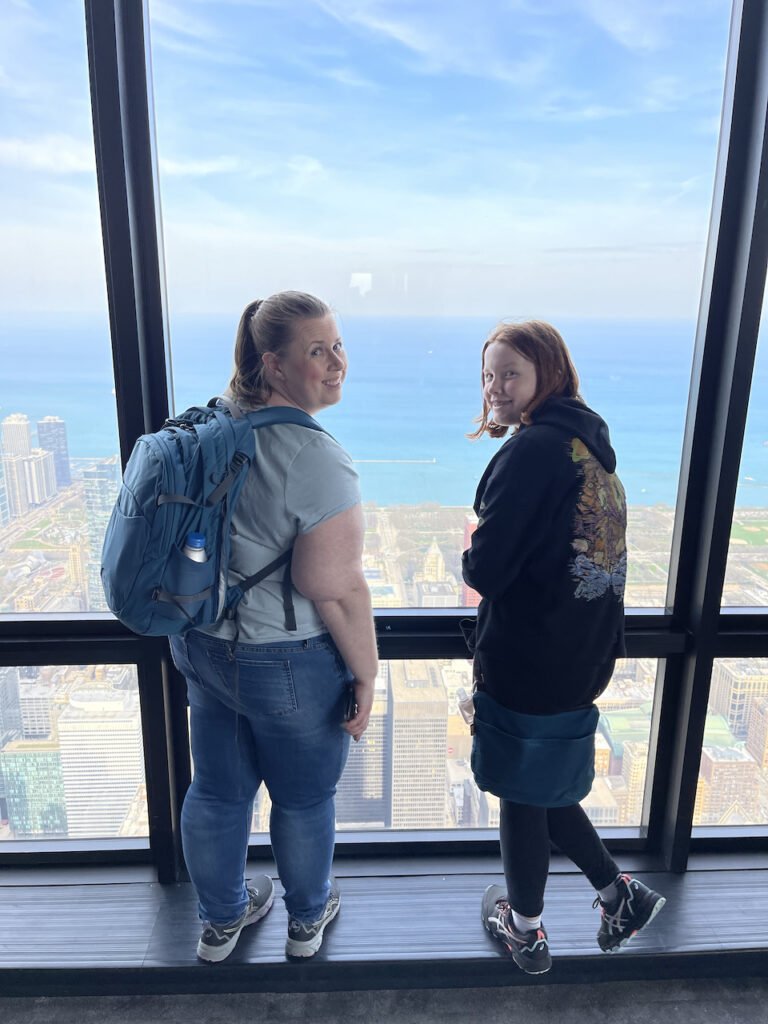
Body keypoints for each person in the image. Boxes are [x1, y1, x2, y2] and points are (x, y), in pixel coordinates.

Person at [169, 290, 378, 963]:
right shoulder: (311, 456)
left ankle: (221, 923)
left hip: (203, 645)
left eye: (338, 345)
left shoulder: (213, 426)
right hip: (287, 662)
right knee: (304, 799)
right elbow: (332, 586)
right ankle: (305, 923)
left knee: (219, 792)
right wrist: (368, 674)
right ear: (274, 364)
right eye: (317, 351)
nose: (337, 362)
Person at [462, 320, 665, 976]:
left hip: (530, 656)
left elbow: (487, 570)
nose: (495, 387)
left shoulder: (533, 452)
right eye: (489, 374)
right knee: (543, 784)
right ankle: (618, 894)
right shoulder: (592, 451)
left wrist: (471, 551)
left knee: (523, 793)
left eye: (510, 374)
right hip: (583, 654)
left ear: (549, 375)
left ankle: (525, 930)